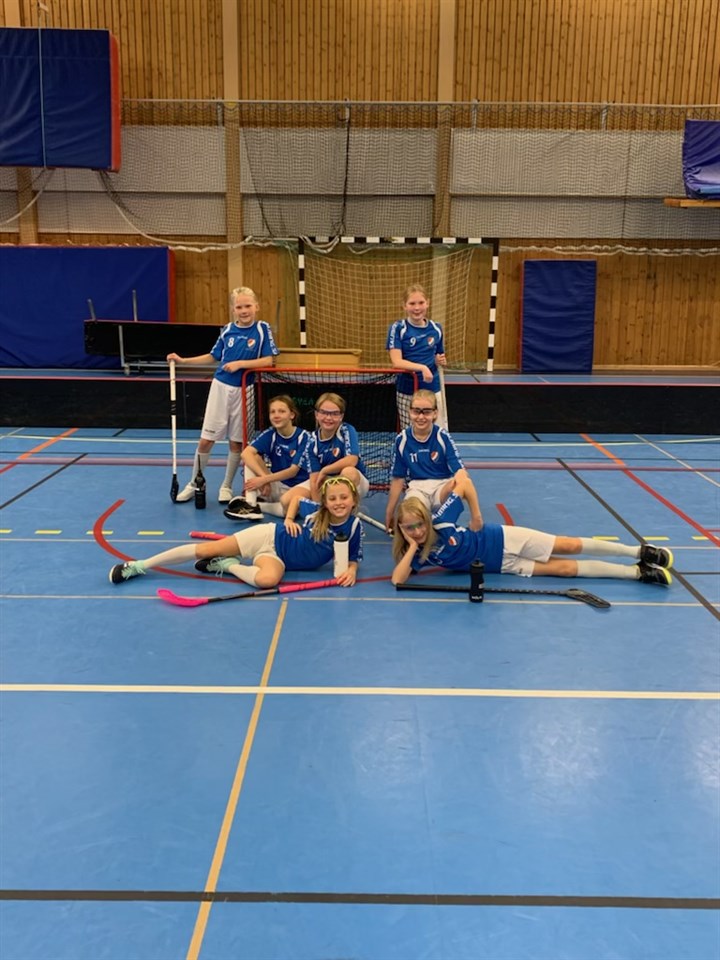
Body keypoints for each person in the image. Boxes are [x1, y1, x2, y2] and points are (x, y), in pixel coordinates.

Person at [390, 479, 673, 587]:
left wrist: (476, 514)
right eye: (409, 527)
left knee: (568, 546)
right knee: (564, 570)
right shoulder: (415, 553)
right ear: (401, 529)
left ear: (427, 519)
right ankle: (637, 573)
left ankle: (638, 551)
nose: (417, 531)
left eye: (419, 524)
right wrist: (413, 547)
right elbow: (397, 580)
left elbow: (462, 483)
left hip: (501, 538)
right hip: (501, 565)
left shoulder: (441, 521)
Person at [109, 476, 363, 589]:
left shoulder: (354, 526)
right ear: (325, 501)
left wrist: (351, 570)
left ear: (353, 500)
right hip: (268, 536)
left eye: (344, 497)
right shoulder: (316, 512)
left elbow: (353, 557)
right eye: (333, 498)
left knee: (267, 581)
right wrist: (288, 518)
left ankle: (227, 565)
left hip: (279, 560)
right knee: (206, 549)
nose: (338, 503)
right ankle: (139, 565)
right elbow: (296, 498)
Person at [167, 286, 278, 504]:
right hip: (220, 387)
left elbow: (270, 360)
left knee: (237, 443)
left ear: (256, 306)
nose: (244, 311)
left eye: (248, 306)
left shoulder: (262, 329)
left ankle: (226, 486)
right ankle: (195, 483)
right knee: (206, 440)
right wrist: (183, 361)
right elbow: (213, 356)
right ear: (233, 310)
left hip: (245, 390)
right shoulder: (227, 330)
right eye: (239, 307)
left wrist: (240, 364)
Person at [385, 389, 482, 533]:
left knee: (465, 482)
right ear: (409, 412)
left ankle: (476, 519)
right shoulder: (402, 440)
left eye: (426, 412)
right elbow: (398, 479)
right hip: (417, 489)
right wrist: (389, 512)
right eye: (416, 411)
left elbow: (460, 470)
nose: (421, 417)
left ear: (435, 413)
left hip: (441, 488)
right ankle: (427, 525)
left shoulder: (442, 437)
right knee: (409, 518)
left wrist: (460, 481)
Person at [222, 395, 311, 521]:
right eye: (272, 412)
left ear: (292, 415)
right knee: (251, 459)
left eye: (281, 411)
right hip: (276, 484)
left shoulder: (304, 437)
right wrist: (264, 479)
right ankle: (251, 505)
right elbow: (245, 454)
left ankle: (258, 506)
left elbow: (293, 471)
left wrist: (264, 479)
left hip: (298, 488)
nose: (276, 415)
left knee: (290, 509)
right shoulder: (271, 433)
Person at [386, 284, 447, 430]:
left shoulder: (436, 328)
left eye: (421, 303)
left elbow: (439, 356)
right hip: (408, 389)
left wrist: (439, 360)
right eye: (412, 303)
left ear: (428, 303)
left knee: (436, 430)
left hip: (432, 388)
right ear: (404, 306)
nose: (417, 308)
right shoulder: (398, 328)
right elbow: (396, 362)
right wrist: (422, 368)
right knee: (411, 432)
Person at [304, 392, 370, 502]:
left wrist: (325, 470)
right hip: (327, 480)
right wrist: (317, 507)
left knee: (348, 472)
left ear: (341, 416)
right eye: (324, 412)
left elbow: (352, 460)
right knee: (288, 499)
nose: (329, 418)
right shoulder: (311, 441)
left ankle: (346, 507)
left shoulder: (346, 430)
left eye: (335, 414)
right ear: (316, 414)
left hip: (356, 480)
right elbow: (315, 479)